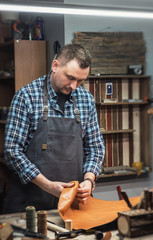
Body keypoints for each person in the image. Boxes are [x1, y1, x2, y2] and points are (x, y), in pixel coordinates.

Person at [3, 43, 105, 213]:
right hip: (31, 203)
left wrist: (89, 180)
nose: (74, 86)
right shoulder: (27, 97)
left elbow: (95, 147)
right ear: (55, 66)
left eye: (80, 81)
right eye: (70, 77)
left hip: (73, 202)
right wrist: (48, 185)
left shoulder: (86, 100)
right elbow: (12, 151)